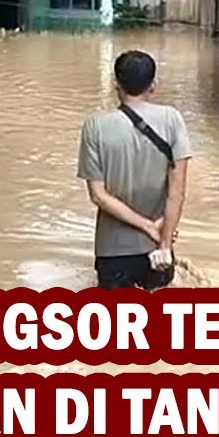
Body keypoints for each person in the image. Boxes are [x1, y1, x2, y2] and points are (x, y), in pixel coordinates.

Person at [77, 50, 192, 291]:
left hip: (112, 251)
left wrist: (144, 225)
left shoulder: (95, 126)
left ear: (115, 84)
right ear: (154, 85)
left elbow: (98, 195)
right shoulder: (172, 119)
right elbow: (177, 192)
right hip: (157, 247)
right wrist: (162, 241)